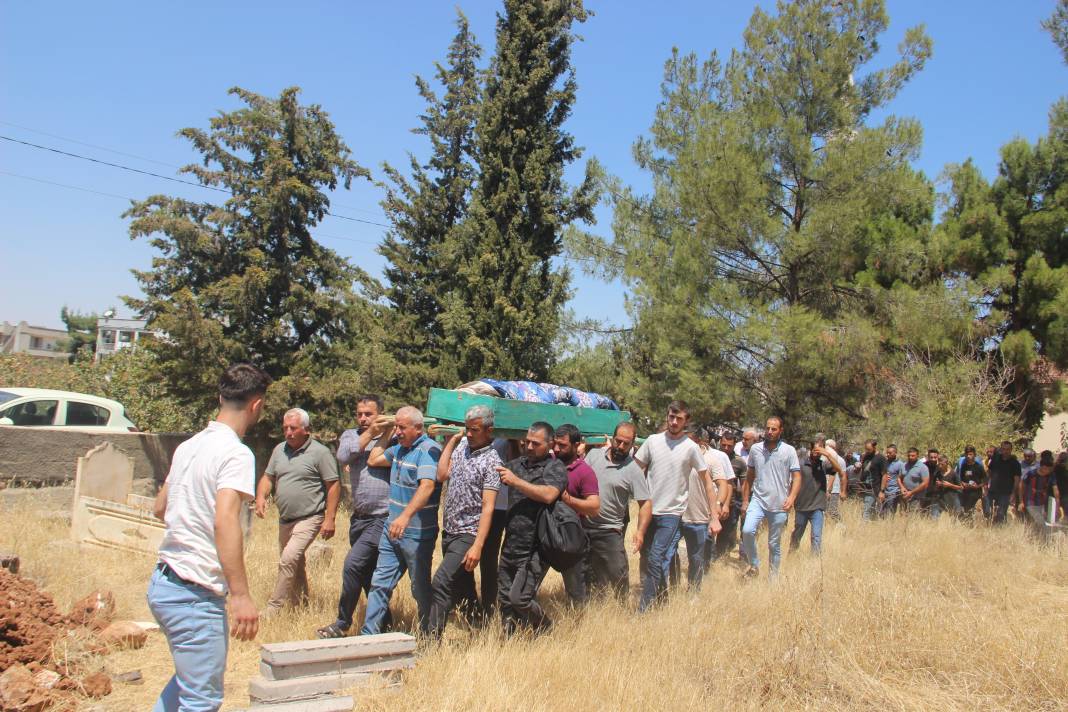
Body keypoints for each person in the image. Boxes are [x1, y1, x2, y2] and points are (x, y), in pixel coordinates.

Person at [148, 363, 270, 712]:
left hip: (164, 582)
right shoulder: (235, 453)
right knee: (201, 700)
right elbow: (225, 520)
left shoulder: (188, 446)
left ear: (221, 397)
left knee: (186, 685)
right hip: (194, 593)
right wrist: (241, 595)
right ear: (257, 405)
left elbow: (160, 507)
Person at [360, 406, 442, 636]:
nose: (398, 431)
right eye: (396, 426)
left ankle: (429, 636)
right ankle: (369, 636)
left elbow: (426, 487)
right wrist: (386, 432)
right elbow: (374, 459)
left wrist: (405, 517)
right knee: (379, 584)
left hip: (417, 534)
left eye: (402, 427)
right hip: (392, 530)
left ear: (418, 428)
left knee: (419, 588)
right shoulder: (398, 449)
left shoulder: (429, 451)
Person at [317, 395, 393, 639]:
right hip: (358, 518)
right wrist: (370, 432)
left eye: (368, 414)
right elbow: (343, 456)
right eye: (359, 413)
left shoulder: (392, 437)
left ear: (380, 413)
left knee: (352, 565)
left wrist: (382, 432)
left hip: (381, 518)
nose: (362, 418)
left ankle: (342, 623)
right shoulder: (352, 435)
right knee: (366, 574)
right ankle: (386, 622)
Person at [633, 401, 721, 610]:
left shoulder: (690, 448)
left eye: (678, 418)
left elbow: (708, 483)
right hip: (648, 510)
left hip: (672, 513)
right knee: (647, 558)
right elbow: (635, 470)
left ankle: (643, 610)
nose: (673, 422)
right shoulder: (653, 441)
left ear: (686, 421)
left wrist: (714, 516)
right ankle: (662, 600)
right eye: (671, 417)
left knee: (656, 557)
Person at [256, 408, 340, 614]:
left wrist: (330, 519)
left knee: (288, 559)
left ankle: (273, 608)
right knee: (296, 564)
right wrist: (260, 497)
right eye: (285, 428)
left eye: (293, 428)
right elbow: (268, 477)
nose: (288, 432)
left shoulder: (320, 453)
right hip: (285, 519)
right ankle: (300, 606)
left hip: (310, 517)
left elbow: (333, 485)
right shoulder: (279, 450)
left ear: (306, 429)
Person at [428, 406, 501, 638]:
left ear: (489, 431)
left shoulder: (492, 461)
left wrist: (478, 545)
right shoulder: (461, 448)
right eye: (467, 429)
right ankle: (481, 629)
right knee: (463, 588)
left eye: (475, 430)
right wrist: (452, 441)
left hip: (468, 534)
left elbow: (489, 506)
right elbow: (441, 475)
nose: (470, 434)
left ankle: (430, 641)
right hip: (449, 530)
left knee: (441, 581)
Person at [496, 422, 568, 634]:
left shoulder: (554, 468)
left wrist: (516, 482)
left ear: (550, 444)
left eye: (535, 443)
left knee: (520, 598)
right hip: (510, 544)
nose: (529, 447)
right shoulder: (517, 465)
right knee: (505, 599)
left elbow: (549, 495)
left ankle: (545, 626)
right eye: (527, 442)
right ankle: (510, 642)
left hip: (535, 548)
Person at [582, 422, 651, 600]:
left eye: (625, 444)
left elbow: (645, 503)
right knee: (585, 572)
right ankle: (588, 604)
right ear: (612, 439)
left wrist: (641, 532)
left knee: (618, 572)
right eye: (618, 441)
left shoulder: (633, 470)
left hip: (609, 530)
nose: (620, 446)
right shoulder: (594, 455)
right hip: (584, 526)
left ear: (633, 445)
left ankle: (620, 609)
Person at [741, 416, 801, 579]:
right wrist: (746, 501)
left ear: (780, 431)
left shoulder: (789, 451)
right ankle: (754, 565)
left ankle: (773, 579)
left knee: (774, 544)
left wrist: (792, 498)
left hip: (779, 504)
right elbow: (749, 476)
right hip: (758, 500)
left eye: (774, 429)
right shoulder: (756, 449)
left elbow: (797, 477)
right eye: (767, 428)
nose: (769, 432)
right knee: (747, 530)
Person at [677, 426, 733, 589]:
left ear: (697, 441)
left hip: (699, 517)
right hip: (676, 514)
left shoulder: (711, 459)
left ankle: (693, 590)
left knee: (696, 558)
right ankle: (670, 586)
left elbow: (723, 484)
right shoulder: (677, 456)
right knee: (669, 553)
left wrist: (717, 506)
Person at [554, 424, 601, 605]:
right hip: (546, 532)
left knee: (576, 592)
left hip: (571, 536)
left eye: (563, 445)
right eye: (555, 444)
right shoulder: (549, 462)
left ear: (576, 445)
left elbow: (594, 507)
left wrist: (568, 500)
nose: (557, 449)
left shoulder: (584, 472)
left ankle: (577, 624)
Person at [789, 444, 843, 554]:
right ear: (810, 449)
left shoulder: (823, 465)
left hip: (817, 506)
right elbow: (793, 482)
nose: (816, 452)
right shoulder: (801, 463)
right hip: (801, 506)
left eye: (819, 450)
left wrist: (828, 454)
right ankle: (791, 554)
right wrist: (790, 498)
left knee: (816, 536)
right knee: (797, 534)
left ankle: (815, 561)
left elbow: (838, 469)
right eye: (815, 449)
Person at [714, 431, 747, 563]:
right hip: (711, 503)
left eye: (729, 446)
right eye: (723, 445)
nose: (726, 448)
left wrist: (745, 501)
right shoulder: (713, 456)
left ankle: (719, 560)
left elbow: (744, 484)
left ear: (734, 445)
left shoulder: (739, 462)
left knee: (725, 534)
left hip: (730, 504)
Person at [1017, 450, 1057, 540]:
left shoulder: (1050, 475)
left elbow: (1055, 490)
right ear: (1043, 467)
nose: (1050, 471)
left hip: (1042, 502)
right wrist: (1021, 501)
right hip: (1030, 502)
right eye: (1049, 469)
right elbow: (1021, 486)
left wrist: (1057, 504)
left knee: (1035, 523)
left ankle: (1032, 539)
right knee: (1040, 522)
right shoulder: (1031, 474)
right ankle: (1049, 540)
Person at [987, 441, 1022, 525]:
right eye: (1003, 449)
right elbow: (989, 472)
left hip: (1005, 492)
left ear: (1011, 450)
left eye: (1008, 449)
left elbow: (1017, 479)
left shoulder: (1015, 463)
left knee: (1001, 514)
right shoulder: (995, 459)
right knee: (989, 512)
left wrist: (1013, 493)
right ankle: (991, 529)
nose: (1005, 451)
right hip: (992, 490)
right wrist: (986, 485)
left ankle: (1000, 531)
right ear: (1001, 449)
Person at [859, 440, 887, 521]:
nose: (867, 451)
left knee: (866, 510)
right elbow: (863, 471)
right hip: (865, 487)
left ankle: (864, 528)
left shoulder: (881, 458)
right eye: (866, 449)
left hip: (875, 488)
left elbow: (884, 475)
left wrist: (882, 491)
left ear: (874, 447)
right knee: (870, 510)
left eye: (869, 449)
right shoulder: (866, 457)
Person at [957, 446, 987, 521]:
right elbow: (961, 478)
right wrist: (963, 484)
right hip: (965, 492)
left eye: (970, 454)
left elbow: (985, 480)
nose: (968, 456)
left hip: (976, 494)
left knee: (974, 512)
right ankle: (967, 527)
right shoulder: (964, 466)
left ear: (974, 455)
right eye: (967, 454)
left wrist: (977, 486)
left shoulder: (979, 466)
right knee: (964, 511)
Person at [929, 454, 962, 519]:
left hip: (952, 499)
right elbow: (933, 486)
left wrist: (950, 485)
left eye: (942, 464)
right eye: (939, 464)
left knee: (954, 518)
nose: (940, 466)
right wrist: (937, 485)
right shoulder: (937, 473)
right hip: (940, 499)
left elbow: (961, 487)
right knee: (934, 518)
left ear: (946, 463)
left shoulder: (953, 474)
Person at [823, 438, 848, 522]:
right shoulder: (822, 458)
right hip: (822, 490)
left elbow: (843, 476)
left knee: (833, 512)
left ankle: (840, 526)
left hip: (834, 490)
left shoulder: (840, 460)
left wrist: (843, 491)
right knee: (823, 512)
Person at [898, 448, 929, 512]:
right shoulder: (903, 465)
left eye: (913, 456)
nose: (910, 457)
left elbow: (925, 483)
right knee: (902, 515)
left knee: (913, 516)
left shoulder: (922, 467)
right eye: (909, 456)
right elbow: (899, 478)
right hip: (904, 495)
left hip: (917, 497)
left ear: (917, 455)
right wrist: (902, 487)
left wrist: (911, 493)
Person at [881, 444, 903, 517]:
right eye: (887, 453)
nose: (887, 454)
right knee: (882, 512)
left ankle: (889, 525)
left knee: (890, 512)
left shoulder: (900, 464)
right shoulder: (884, 462)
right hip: (883, 491)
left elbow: (901, 478)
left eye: (890, 453)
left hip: (893, 492)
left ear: (895, 453)